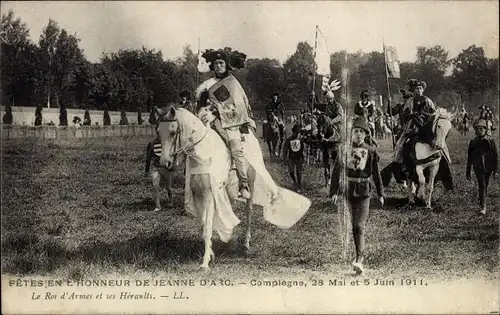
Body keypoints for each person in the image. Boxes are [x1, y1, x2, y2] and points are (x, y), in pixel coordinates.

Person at [195, 48, 256, 200]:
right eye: (215, 63)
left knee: (236, 149)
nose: (218, 66)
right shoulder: (207, 85)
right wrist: (205, 112)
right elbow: (200, 105)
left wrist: (218, 111)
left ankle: (243, 184)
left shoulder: (233, 84)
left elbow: (239, 106)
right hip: (210, 121)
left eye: (221, 63)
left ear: (227, 65)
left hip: (231, 123)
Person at [329, 117, 384, 275]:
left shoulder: (371, 151)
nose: (358, 134)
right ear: (351, 133)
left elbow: (376, 174)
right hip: (348, 190)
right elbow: (336, 172)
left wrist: (380, 193)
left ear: (366, 134)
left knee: (359, 225)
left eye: (361, 132)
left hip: (364, 191)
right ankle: (358, 255)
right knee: (353, 226)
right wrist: (334, 192)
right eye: (355, 131)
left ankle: (359, 259)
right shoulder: (344, 150)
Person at [393, 80, 436, 175]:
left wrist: (424, 115)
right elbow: (404, 115)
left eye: (421, 88)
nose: (419, 90)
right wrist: (411, 115)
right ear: (414, 90)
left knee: (437, 142)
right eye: (417, 88)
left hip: (425, 125)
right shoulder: (410, 102)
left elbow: (434, 114)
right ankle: (403, 164)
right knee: (403, 144)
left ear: (423, 90)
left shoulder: (428, 101)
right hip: (413, 126)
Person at [466, 119, 498, 215]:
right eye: (477, 129)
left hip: (488, 167)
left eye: (481, 129)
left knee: (485, 184)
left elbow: (496, 156)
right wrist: (468, 170)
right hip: (478, 167)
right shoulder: (473, 142)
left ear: (485, 129)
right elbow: (469, 157)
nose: (479, 131)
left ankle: (482, 199)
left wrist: (496, 170)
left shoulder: (490, 140)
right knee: (482, 184)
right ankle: (483, 206)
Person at [145, 129, 173, 212]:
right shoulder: (151, 144)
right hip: (155, 167)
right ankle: (158, 206)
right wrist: (146, 170)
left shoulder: (168, 143)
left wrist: (171, 165)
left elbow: (172, 156)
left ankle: (171, 201)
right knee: (155, 186)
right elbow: (148, 158)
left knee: (168, 187)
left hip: (166, 168)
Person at [283, 124, 305, 191]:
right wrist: (285, 159)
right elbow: (285, 150)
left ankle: (299, 185)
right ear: (293, 132)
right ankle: (295, 182)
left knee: (299, 172)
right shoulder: (288, 140)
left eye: (297, 133)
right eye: (295, 132)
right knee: (291, 171)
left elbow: (303, 149)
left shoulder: (301, 140)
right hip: (291, 157)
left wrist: (303, 157)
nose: (296, 134)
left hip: (299, 157)